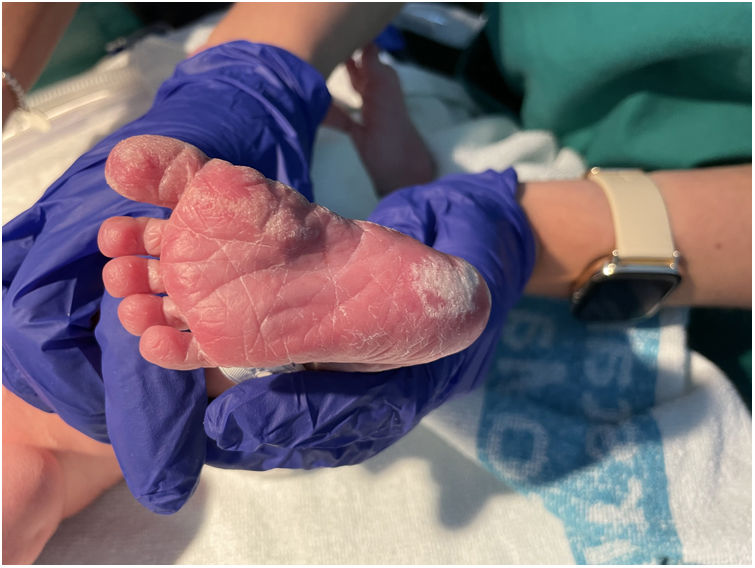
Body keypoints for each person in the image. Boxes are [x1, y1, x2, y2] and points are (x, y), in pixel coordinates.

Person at [3, 2, 750, 563]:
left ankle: (316, 309)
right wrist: (253, 73)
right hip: (469, 117)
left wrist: (526, 227)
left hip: (636, 205)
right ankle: (334, 295)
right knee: (160, 359)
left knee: (149, 382)